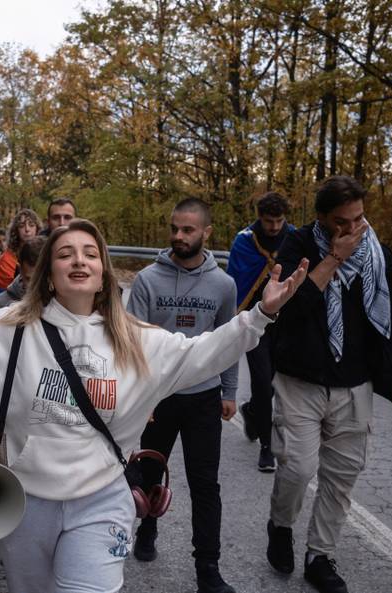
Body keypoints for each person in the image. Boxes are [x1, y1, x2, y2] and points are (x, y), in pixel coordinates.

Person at [0, 218, 308, 593]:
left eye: (89, 254)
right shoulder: (4, 331)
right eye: (65, 254)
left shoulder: (139, 342)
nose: (78, 261)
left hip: (101, 502)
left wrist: (260, 315)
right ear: (49, 274)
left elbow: (206, 351)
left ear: (103, 271)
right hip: (20, 505)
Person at [265, 176, 392, 593]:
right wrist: (331, 260)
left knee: (342, 475)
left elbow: (391, 322)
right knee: (297, 467)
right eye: (341, 222)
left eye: (359, 218)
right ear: (322, 219)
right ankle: (280, 524)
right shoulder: (298, 245)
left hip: (354, 384)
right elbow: (287, 311)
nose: (353, 229)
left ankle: (319, 555)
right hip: (300, 380)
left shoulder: (377, 256)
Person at [126, 199, 238, 593]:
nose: (178, 236)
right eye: (174, 228)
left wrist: (230, 390)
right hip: (159, 397)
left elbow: (229, 342)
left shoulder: (223, 285)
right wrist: (142, 397)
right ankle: (147, 525)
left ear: (206, 233)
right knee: (150, 473)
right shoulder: (147, 281)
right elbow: (134, 343)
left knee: (205, 483)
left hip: (204, 399)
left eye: (188, 230)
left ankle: (207, 568)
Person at [226, 191, 293, 472]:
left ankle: (253, 410)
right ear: (259, 218)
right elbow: (236, 282)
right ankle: (267, 447)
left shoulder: (294, 238)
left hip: (287, 322)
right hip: (256, 322)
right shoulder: (244, 241)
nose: (274, 227)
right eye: (269, 221)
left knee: (277, 384)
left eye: (279, 221)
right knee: (262, 382)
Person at [0, 236, 45, 313]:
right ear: (20, 269)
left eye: (43, 279)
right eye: (29, 279)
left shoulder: (60, 304)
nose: (35, 286)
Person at [0, 208, 41, 297]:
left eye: (31, 225)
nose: (27, 229)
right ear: (16, 230)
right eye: (21, 226)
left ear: (37, 229)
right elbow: (1, 295)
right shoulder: (7, 259)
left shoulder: (45, 254)